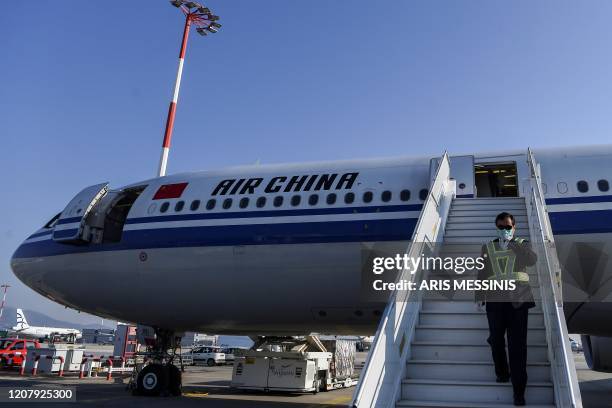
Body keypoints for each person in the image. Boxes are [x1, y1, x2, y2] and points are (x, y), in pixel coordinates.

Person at [475, 211, 537, 406]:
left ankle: (519, 392)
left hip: (518, 300)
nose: (504, 230)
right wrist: (479, 296)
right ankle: (502, 373)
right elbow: (482, 272)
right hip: (495, 300)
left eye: (508, 227)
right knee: (496, 339)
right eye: (501, 227)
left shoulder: (522, 243)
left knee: (518, 346)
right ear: (496, 228)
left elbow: (531, 261)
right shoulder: (488, 246)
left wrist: (513, 245)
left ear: (514, 227)